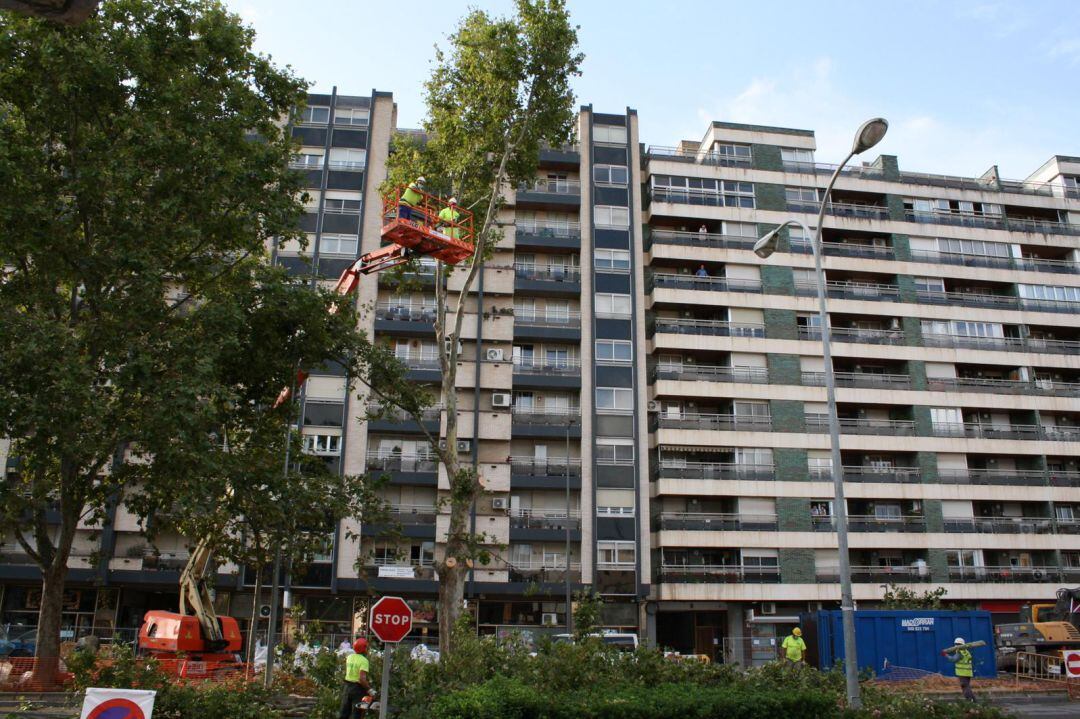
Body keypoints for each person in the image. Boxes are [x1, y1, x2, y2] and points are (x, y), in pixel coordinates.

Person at [337, 638, 371, 719]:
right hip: (358, 689)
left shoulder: (350, 657)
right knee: (358, 713)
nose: (368, 649)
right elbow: (362, 679)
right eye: (366, 647)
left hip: (347, 687)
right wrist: (370, 690)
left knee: (344, 712)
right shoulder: (364, 660)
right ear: (364, 648)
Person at [943, 637, 976, 701]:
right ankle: (973, 700)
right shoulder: (966, 652)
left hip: (962, 672)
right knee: (967, 686)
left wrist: (945, 655)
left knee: (965, 687)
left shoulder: (960, 652)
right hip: (968, 672)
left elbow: (953, 659)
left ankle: (970, 701)